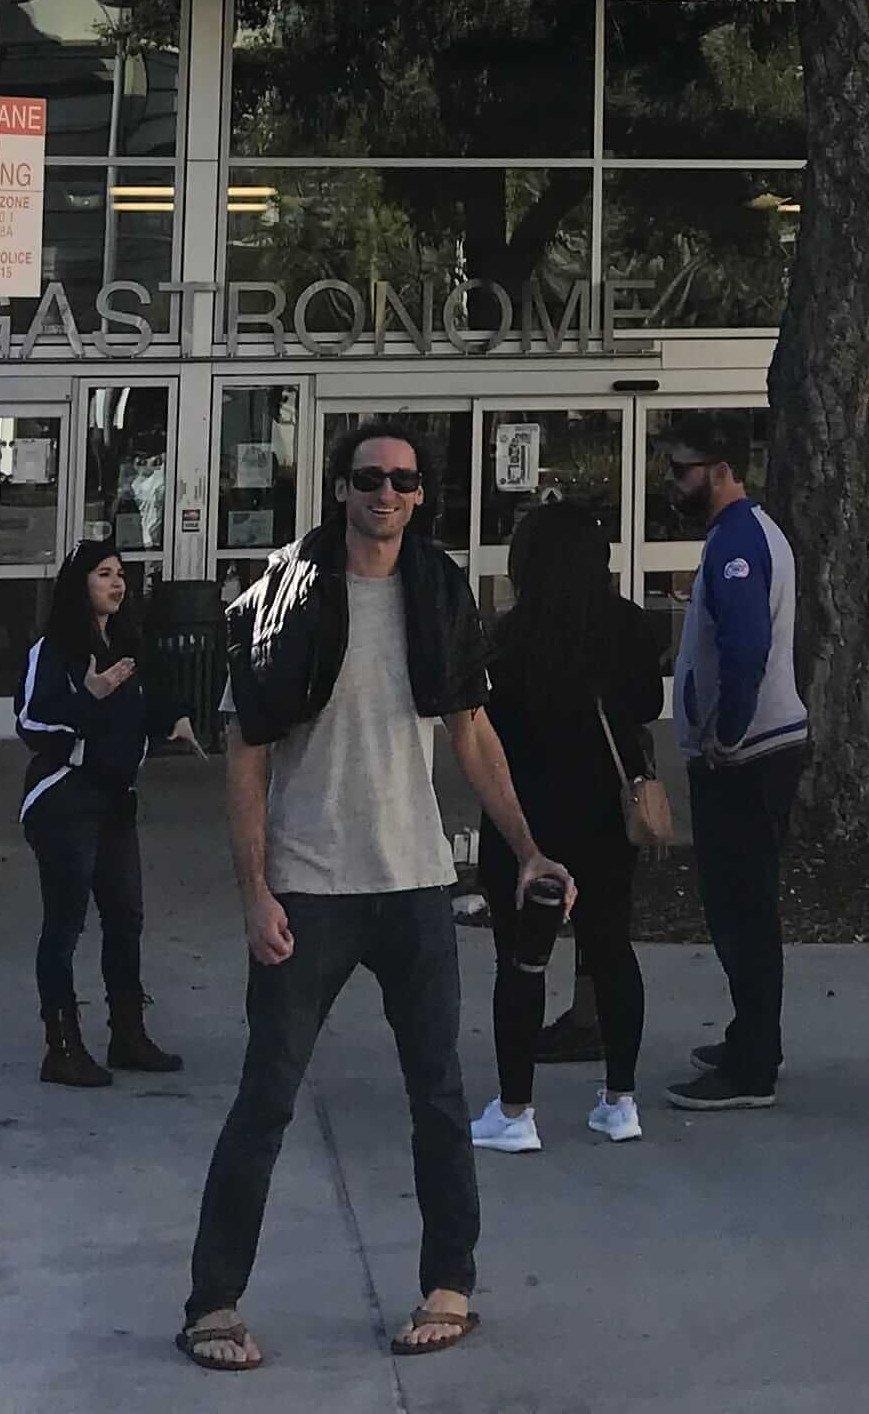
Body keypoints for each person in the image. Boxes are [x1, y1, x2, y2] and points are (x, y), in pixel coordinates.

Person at [180, 422, 572, 1371]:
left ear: (421, 495)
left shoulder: (437, 593)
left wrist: (523, 848)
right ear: (342, 489)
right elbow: (247, 750)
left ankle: (449, 1285)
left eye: (402, 480)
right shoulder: (286, 594)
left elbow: (472, 732)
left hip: (414, 886)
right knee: (265, 1100)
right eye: (368, 478)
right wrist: (254, 892)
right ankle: (214, 1304)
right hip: (309, 891)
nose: (385, 494)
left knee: (437, 1096)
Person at [468, 501, 663, 1154]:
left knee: (521, 961)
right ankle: (621, 1099)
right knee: (611, 950)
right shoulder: (630, 628)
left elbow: (489, 727)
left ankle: (516, 1109)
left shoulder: (510, 636)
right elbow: (647, 706)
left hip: (528, 816)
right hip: (607, 812)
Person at [662, 420, 805, 1113]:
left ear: (720, 471)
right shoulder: (744, 535)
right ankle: (754, 1038)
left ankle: (751, 1068)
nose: (674, 482)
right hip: (756, 750)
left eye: (683, 469)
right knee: (744, 908)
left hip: (748, 757)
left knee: (741, 911)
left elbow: (746, 646)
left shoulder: (739, 544)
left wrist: (726, 733)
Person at [17, 537, 181, 1088]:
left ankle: (127, 1033)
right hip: (64, 800)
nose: (116, 584)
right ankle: (60, 1046)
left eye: (120, 574)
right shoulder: (55, 649)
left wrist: (170, 719)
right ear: (78, 584)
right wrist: (88, 696)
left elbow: (137, 713)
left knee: (125, 916)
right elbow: (33, 724)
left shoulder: (125, 644)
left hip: (115, 800)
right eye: (103, 574)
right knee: (65, 924)